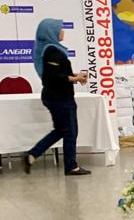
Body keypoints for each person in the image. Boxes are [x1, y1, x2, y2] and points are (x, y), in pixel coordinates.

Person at [23, 18, 90, 175]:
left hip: (57, 96)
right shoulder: (52, 51)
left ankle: (32, 155)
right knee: (70, 131)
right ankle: (71, 166)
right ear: (51, 32)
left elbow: (59, 73)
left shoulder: (53, 50)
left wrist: (75, 76)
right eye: (59, 29)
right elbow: (52, 77)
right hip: (60, 98)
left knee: (62, 130)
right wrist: (75, 78)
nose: (63, 31)